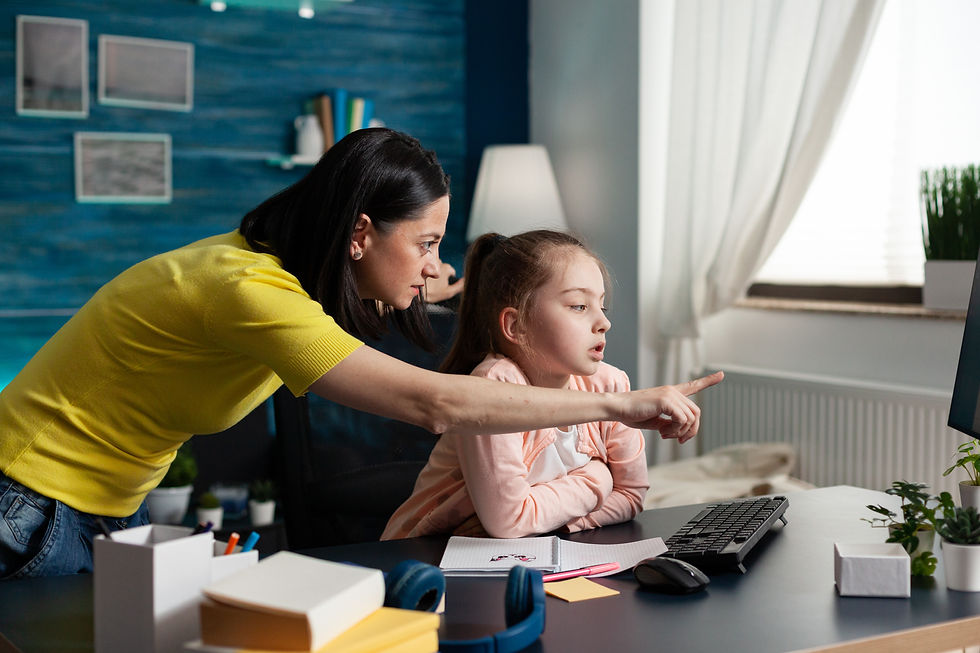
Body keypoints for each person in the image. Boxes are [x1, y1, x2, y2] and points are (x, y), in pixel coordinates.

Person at [0, 128, 722, 579]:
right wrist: (620, 400)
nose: (430, 266)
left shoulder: (288, 279)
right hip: (28, 497)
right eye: (425, 242)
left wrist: (445, 281)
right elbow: (432, 402)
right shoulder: (251, 292)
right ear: (360, 232)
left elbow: (404, 288)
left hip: (90, 504)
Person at [383, 230, 651, 540]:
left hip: (522, 551)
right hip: (425, 555)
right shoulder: (495, 384)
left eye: (601, 307)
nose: (604, 323)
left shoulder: (611, 384)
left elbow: (632, 496)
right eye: (579, 306)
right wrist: (598, 479)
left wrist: (563, 523)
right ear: (515, 325)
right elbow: (510, 521)